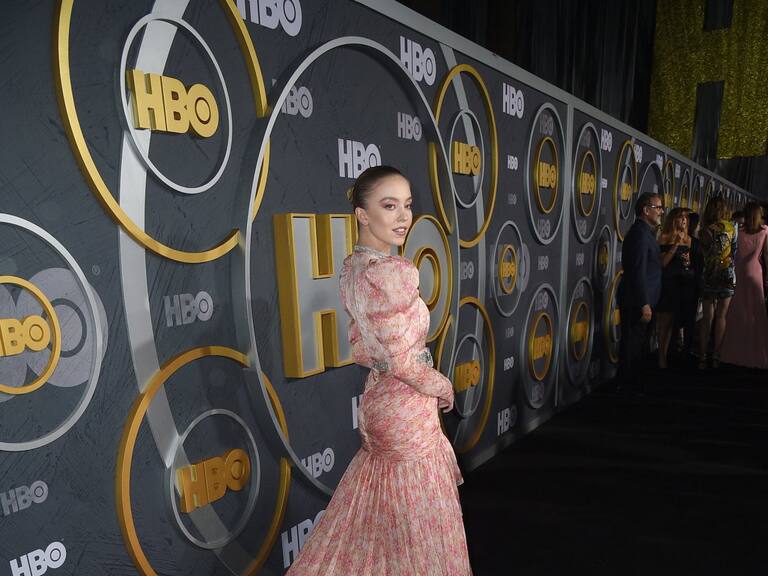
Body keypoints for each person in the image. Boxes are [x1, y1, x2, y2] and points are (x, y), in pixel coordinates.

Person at [285, 165, 472, 575]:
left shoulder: (354, 267)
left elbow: (368, 349)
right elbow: (404, 362)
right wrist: (443, 386)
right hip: (406, 408)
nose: (403, 216)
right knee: (419, 528)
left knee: (385, 520)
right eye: (389, 206)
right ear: (362, 214)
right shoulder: (394, 273)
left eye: (407, 205)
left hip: (379, 401)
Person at [617, 192, 663, 391]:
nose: (661, 211)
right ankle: (627, 387)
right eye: (658, 207)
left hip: (643, 300)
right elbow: (637, 271)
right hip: (637, 302)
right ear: (646, 210)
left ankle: (632, 385)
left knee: (638, 346)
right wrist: (644, 303)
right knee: (632, 346)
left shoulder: (645, 232)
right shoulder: (640, 234)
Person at [719, 202, 768, 369]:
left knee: (738, 313)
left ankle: (734, 354)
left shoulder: (737, 231)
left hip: (738, 273)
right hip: (755, 273)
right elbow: (766, 255)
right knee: (756, 313)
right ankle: (756, 354)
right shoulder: (765, 231)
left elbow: (730, 254)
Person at [698, 196, 738, 369]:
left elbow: (703, 253)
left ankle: (702, 357)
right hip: (727, 274)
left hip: (709, 274)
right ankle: (716, 356)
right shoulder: (732, 227)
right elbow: (735, 252)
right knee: (722, 316)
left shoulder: (704, 229)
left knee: (707, 317)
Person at [655, 208, 695, 368]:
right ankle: (660, 358)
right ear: (673, 220)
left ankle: (665, 355)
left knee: (673, 323)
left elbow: (687, 264)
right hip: (667, 284)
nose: (684, 220)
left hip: (682, 285)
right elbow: (663, 263)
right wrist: (676, 244)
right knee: (664, 324)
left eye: (685, 217)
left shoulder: (689, 239)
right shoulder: (664, 237)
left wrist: (687, 261)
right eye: (680, 217)